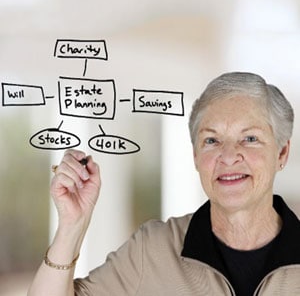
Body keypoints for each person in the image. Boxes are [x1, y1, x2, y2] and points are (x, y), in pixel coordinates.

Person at [28, 72, 300, 296]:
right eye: (211, 141)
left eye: (250, 138)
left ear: (281, 152)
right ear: (195, 156)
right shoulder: (153, 249)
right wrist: (71, 225)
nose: (228, 157)